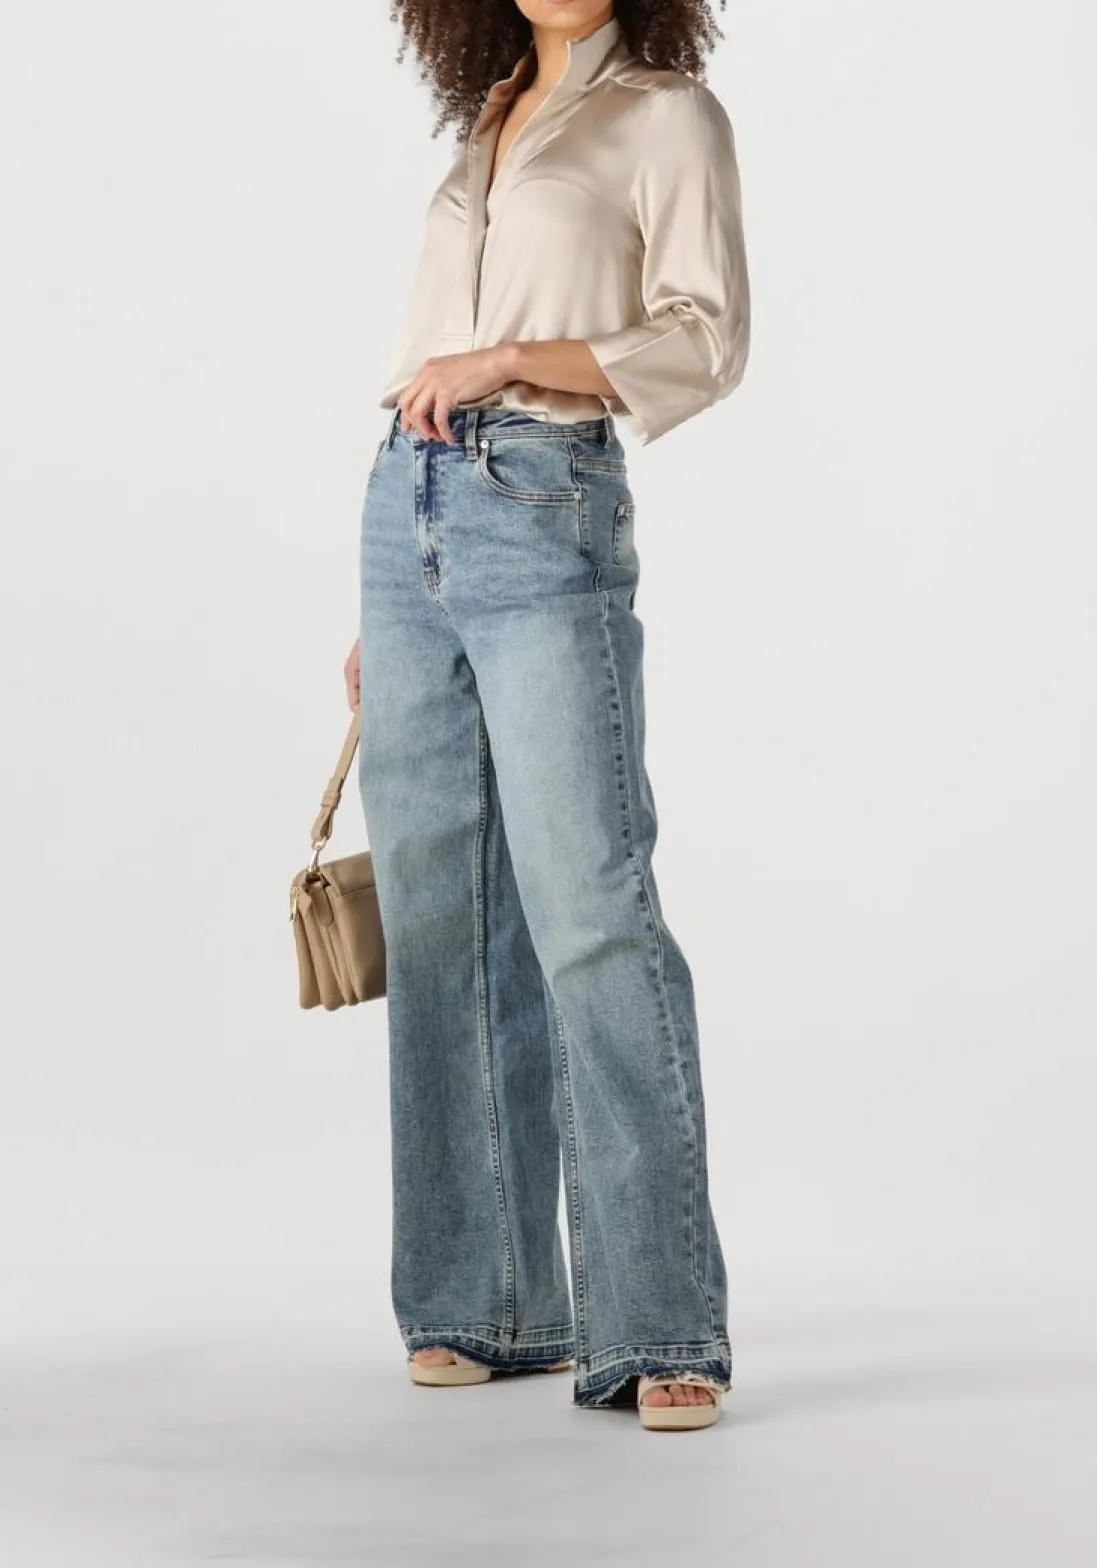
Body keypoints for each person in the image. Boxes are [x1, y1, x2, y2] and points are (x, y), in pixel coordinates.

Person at [343, 0, 749, 1432]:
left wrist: (513, 360)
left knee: (590, 912)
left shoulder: (666, 114)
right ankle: (485, 1299)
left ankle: (661, 1321)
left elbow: (705, 338)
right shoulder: (486, 121)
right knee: (441, 921)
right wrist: (394, 604)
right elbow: (431, 354)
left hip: (544, 498)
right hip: (412, 511)